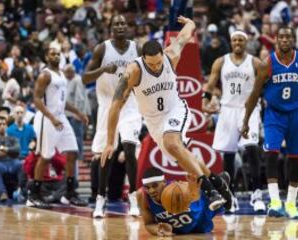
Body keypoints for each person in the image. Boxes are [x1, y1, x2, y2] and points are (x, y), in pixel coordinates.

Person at [101, 16, 231, 212]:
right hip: (153, 121)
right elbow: (115, 106)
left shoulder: (172, 54)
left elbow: (188, 32)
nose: (155, 67)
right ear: (143, 59)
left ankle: (210, 190)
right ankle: (219, 182)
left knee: (172, 142)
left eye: (158, 63)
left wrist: (189, 22)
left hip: (175, 109)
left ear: (164, 53)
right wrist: (110, 142)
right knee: (183, 156)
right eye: (151, 65)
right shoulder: (133, 71)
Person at [241, 26, 298, 219]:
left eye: (287, 37)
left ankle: (290, 204)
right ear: (276, 40)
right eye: (280, 37)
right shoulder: (267, 63)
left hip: (296, 114)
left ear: (292, 40)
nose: (284, 40)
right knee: (271, 155)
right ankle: (274, 202)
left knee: (295, 159)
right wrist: (246, 121)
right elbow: (255, 93)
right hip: (274, 114)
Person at [82, 15, 142, 217]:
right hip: (107, 105)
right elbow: (85, 77)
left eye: (123, 23)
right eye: (116, 23)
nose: (120, 26)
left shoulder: (137, 49)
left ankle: (133, 197)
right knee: (105, 153)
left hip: (130, 104)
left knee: (129, 147)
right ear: (110, 29)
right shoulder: (102, 48)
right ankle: (100, 199)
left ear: (128, 27)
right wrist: (103, 69)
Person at [202, 30, 266, 213]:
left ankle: (257, 194)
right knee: (228, 154)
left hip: (249, 109)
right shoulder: (221, 61)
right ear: (231, 42)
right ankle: (230, 196)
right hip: (228, 109)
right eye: (235, 40)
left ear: (246, 42)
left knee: (252, 148)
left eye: (241, 40)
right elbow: (211, 82)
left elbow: (264, 84)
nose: (238, 42)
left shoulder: (254, 62)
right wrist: (205, 100)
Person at [27, 46, 88, 209]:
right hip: (47, 119)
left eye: (58, 53)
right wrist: (52, 118)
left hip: (60, 117)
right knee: (45, 156)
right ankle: (34, 195)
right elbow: (37, 100)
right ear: (47, 56)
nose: (56, 56)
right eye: (52, 53)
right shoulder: (45, 75)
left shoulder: (61, 74)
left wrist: (79, 113)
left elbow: (63, 101)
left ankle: (69, 194)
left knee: (73, 152)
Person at [137, 167, 227, 236]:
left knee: (222, 202)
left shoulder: (178, 189)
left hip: (200, 220)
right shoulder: (142, 196)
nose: (151, 191)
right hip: (177, 232)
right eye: (147, 187)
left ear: (164, 182)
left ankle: (221, 184)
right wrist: (158, 229)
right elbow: (149, 224)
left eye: (155, 186)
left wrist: (195, 196)